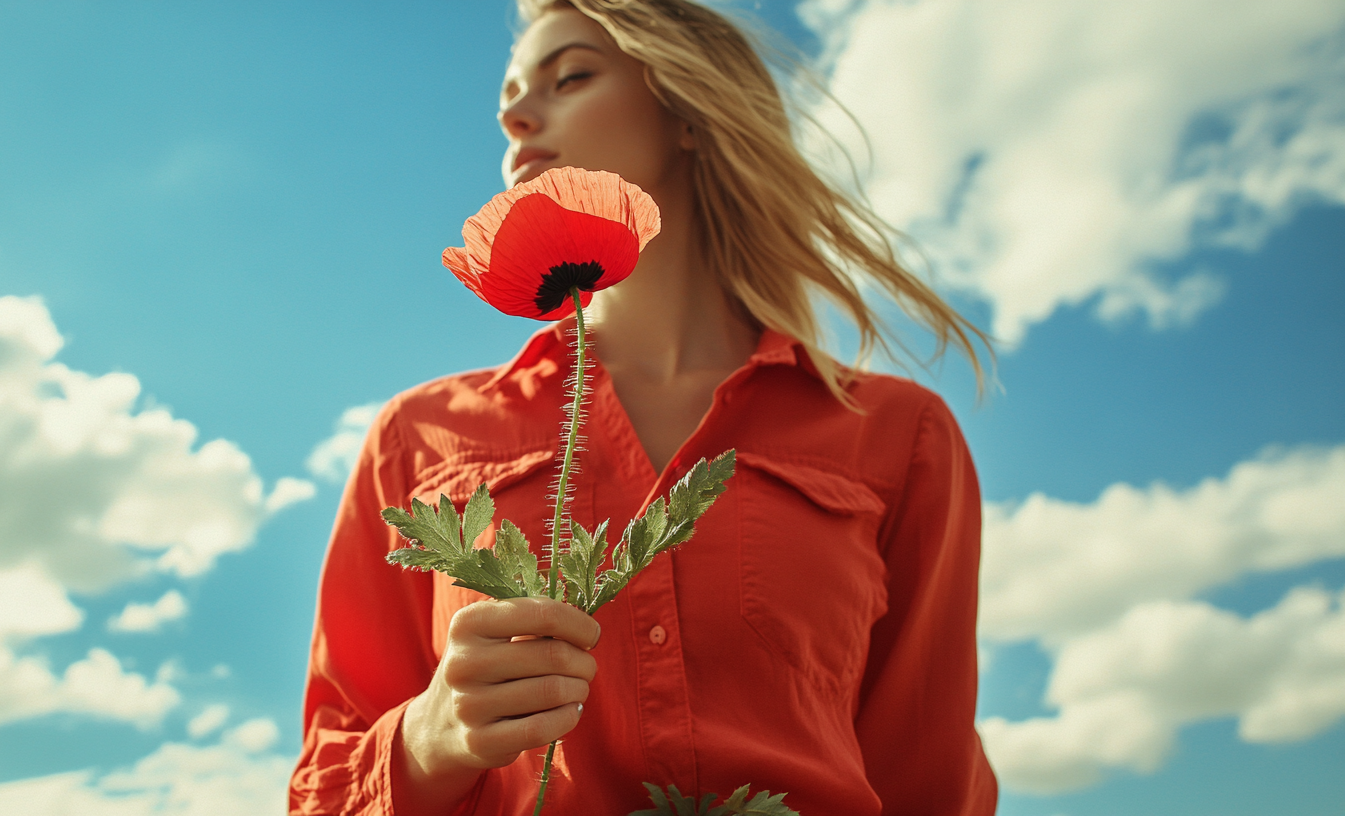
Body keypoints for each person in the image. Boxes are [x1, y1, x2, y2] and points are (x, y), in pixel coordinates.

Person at [289, 1, 997, 814]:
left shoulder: (899, 436)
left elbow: (929, 776)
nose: (515, 116)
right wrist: (430, 736)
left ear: (690, 114)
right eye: (509, 98)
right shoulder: (420, 437)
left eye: (572, 76)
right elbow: (325, 786)